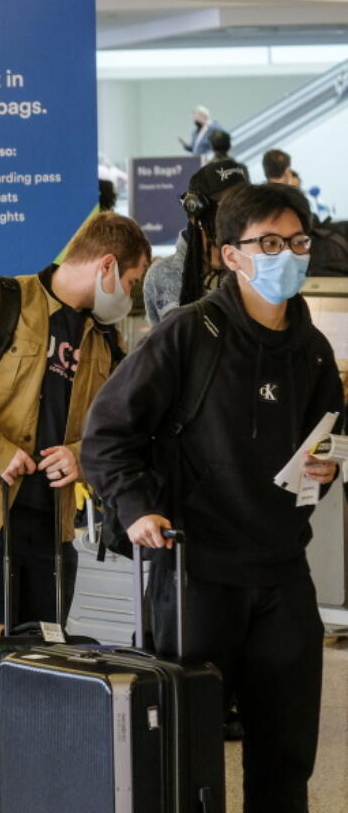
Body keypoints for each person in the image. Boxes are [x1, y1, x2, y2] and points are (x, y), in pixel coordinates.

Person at [82, 184, 339, 813]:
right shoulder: (187, 335)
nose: (290, 255)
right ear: (230, 254)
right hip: (196, 574)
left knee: (285, 759)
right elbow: (107, 433)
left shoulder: (311, 348)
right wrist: (136, 506)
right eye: (271, 243)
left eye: (299, 242)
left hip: (281, 575)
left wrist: (323, 470)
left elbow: (328, 440)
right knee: (186, 757)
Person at [0, 213, 151, 721]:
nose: (128, 296)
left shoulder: (103, 339)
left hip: (50, 513)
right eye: (130, 283)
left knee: (44, 645)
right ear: (106, 265)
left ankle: (30, 767)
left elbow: (116, 425)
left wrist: (82, 454)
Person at [143, 159, 249, 325]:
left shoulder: (257, 268)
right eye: (227, 206)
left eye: (244, 205)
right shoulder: (162, 274)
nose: (238, 215)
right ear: (195, 211)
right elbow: (159, 345)